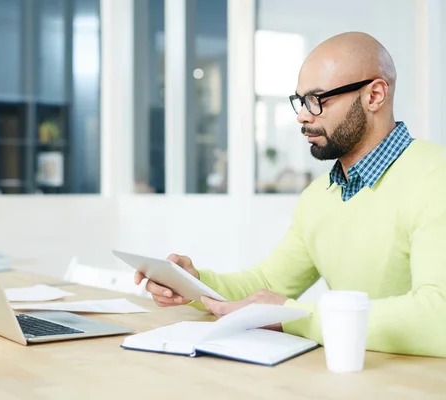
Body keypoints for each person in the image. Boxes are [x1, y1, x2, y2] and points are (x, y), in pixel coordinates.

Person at [134, 31, 446, 358]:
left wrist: (292, 315)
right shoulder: (319, 196)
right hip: (352, 375)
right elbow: (267, 282)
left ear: (375, 96)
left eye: (317, 99)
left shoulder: (435, 177)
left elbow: (438, 315)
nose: (302, 115)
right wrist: (192, 283)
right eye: (300, 100)